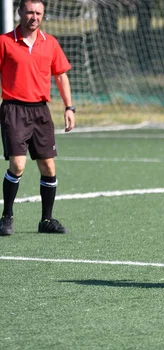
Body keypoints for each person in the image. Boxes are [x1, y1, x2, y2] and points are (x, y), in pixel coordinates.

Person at [0, 0, 75, 236]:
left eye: (38, 13)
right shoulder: (4, 42)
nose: (34, 17)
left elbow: (61, 77)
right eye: (30, 12)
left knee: (48, 167)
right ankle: (6, 217)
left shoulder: (50, 43)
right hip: (13, 110)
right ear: (20, 12)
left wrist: (69, 107)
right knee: (18, 164)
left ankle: (46, 220)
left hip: (41, 111)